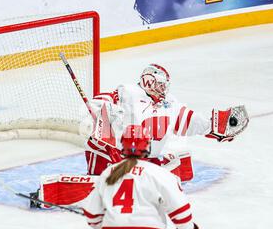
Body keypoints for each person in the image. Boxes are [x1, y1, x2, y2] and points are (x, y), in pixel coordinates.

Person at [85, 63, 249, 178]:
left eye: (165, 86)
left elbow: (188, 120)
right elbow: (101, 101)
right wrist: (105, 108)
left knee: (176, 163)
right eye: (160, 85)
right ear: (148, 81)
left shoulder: (169, 102)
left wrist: (212, 126)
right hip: (115, 156)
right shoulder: (129, 92)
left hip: (143, 159)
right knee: (99, 147)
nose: (163, 89)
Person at [82, 124, 199, 229]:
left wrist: (112, 225)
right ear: (148, 146)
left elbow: (92, 216)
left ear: (122, 145)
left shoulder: (108, 173)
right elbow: (180, 209)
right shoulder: (158, 173)